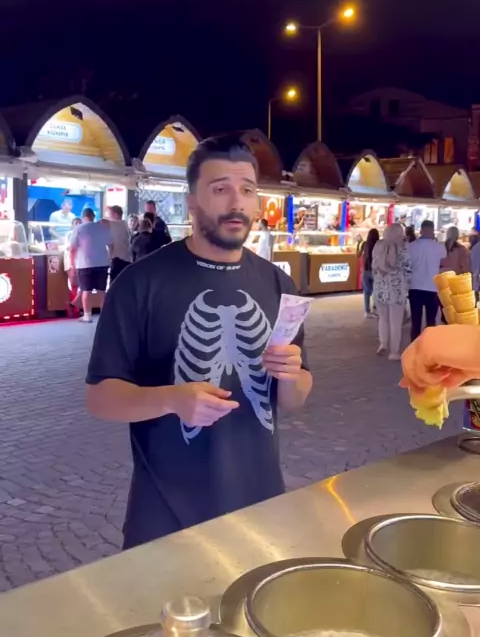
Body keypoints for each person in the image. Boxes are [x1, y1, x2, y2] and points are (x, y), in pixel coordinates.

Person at [85, 135, 312, 549]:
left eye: (247, 190)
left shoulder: (278, 283)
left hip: (261, 503)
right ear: (191, 201)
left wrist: (292, 375)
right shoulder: (139, 283)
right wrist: (171, 399)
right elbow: (100, 398)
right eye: (220, 189)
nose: (237, 203)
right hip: (166, 513)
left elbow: (293, 400)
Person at [372, 223, 412, 360]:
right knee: (396, 322)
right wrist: (408, 284)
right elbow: (408, 268)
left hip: (380, 288)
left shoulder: (378, 246)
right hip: (396, 289)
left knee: (382, 319)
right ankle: (394, 352)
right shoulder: (403, 248)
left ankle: (383, 344)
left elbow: (373, 265)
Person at [70, 208, 113, 323]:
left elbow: (72, 249)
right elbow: (111, 244)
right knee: (102, 291)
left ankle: (87, 315)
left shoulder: (78, 229)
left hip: (84, 264)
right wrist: (109, 257)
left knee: (86, 290)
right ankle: (104, 315)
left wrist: (72, 264)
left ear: (83, 217)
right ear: (93, 216)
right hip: (102, 263)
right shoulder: (102, 228)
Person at [408, 219, 446, 341]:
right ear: (432, 230)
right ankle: (429, 346)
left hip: (415, 287)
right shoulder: (439, 247)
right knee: (431, 322)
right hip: (433, 288)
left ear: (421, 230)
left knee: (415, 322)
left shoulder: (411, 246)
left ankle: (414, 346)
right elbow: (443, 264)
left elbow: (407, 266)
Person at [106, 205, 132, 282]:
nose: (108, 216)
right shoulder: (124, 224)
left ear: (116, 215)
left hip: (118, 260)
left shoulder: (116, 224)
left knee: (114, 283)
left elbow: (102, 222)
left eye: (110, 214)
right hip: (127, 259)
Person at [359, 228, 379, 318]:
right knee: (376, 290)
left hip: (366, 270)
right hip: (375, 270)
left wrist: (358, 244)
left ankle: (367, 311)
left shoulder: (364, 244)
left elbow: (358, 255)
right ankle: (375, 308)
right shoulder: (378, 245)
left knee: (366, 292)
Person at [63, 217, 82, 310]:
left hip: (79, 263)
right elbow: (69, 247)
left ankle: (75, 307)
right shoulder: (70, 234)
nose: (78, 224)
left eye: (79, 222)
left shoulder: (82, 234)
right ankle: (74, 309)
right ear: (72, 225)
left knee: (79, 286)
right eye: (76, 223)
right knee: (74, 285)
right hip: (71, 263)